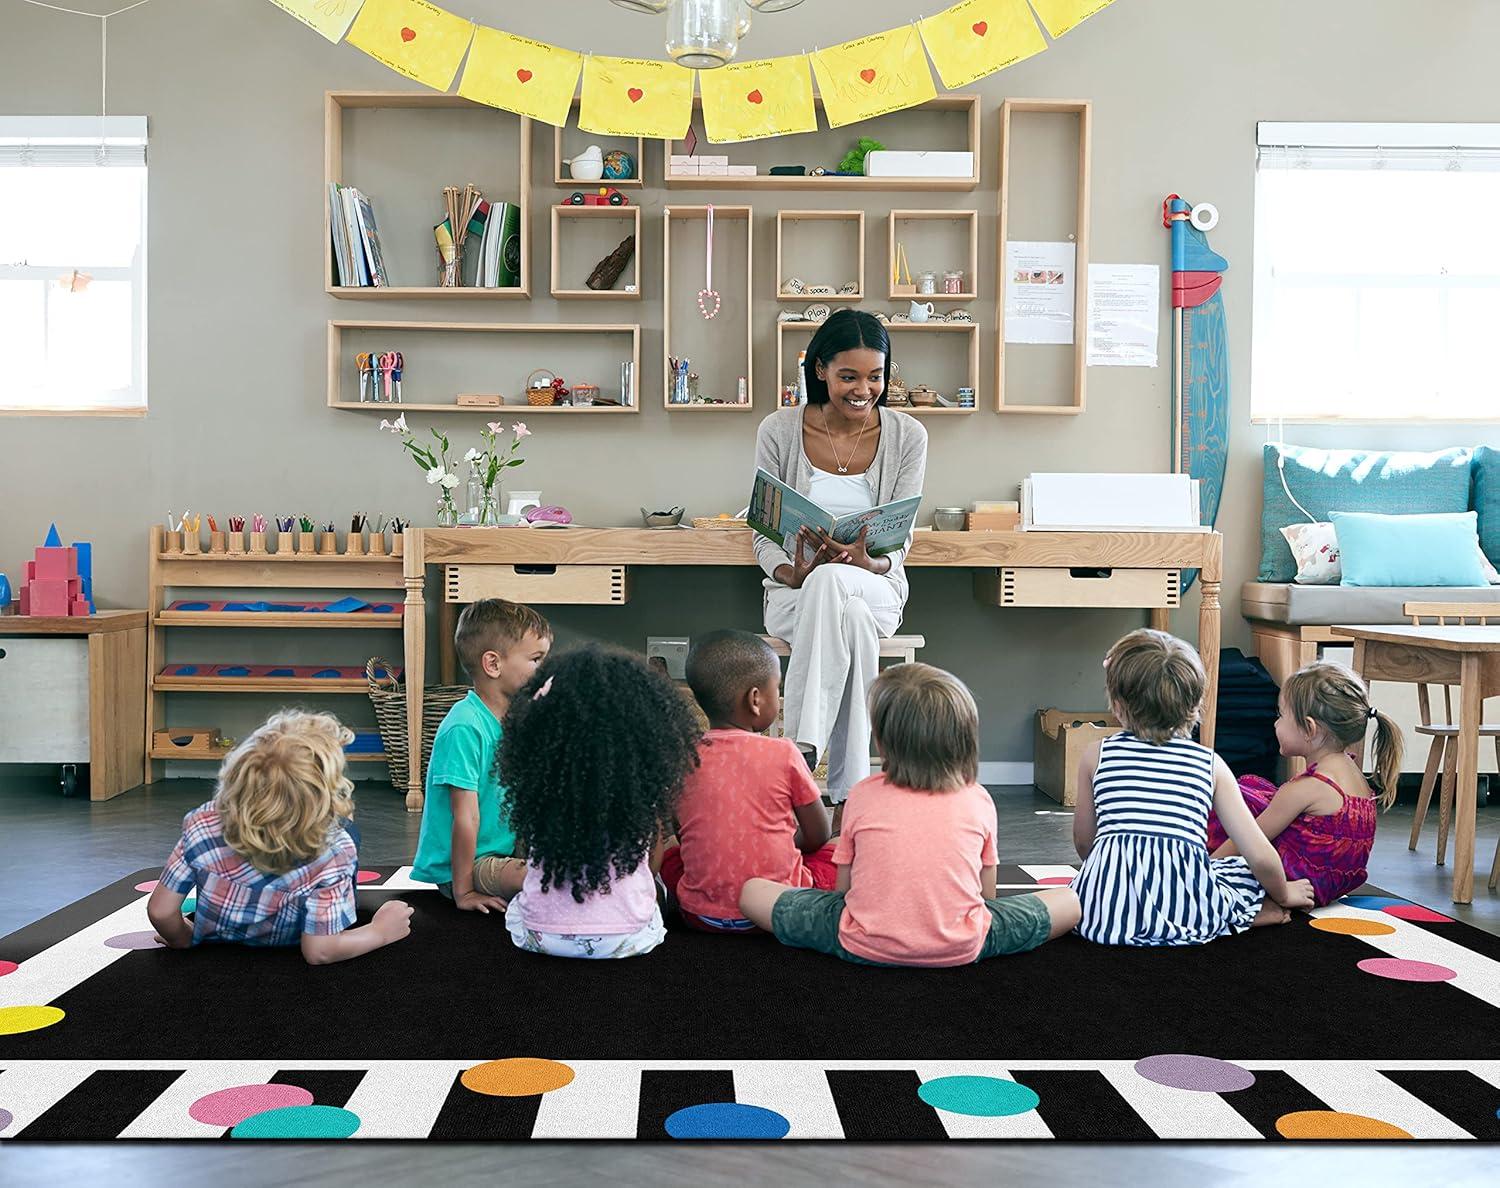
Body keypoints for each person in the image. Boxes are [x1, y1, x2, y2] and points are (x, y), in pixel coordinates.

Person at [740, 663, 1079, 967]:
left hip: (860, 942)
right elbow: (986, 898)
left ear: (882, 741)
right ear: (963, 739)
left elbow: (843, 892)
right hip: (963, 946)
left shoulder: (862, 794)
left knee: (752, 891)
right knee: (1069, 901)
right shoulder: (978, 798)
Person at [753, 309, 928, 818]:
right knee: (844, 612)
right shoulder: (780, 429)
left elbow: (902, 536)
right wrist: (790, 572)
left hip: (876, 589)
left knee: (842, 587)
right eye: (848, 376)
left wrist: (869, 563)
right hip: (796, 596)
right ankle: (850, 794)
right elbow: (763, 526)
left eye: (875, 377)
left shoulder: (907, 435)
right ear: (820, 368)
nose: (863, 389)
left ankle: (800, 753)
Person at [1072, 630, 1316, 946]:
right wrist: (1285, 893)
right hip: (1188, 910)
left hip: (1104, 915)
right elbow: (1260, 855)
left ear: (1117, 705)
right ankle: (1250, 913)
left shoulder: (1096, 754)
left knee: (1076, 892)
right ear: (1197, 704)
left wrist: (1111, 871)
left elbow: (1083, 841)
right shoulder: (1209, 764)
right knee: (1237, 870)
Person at [147, 710, 412, 965]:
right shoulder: (335, 850)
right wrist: (380, 931)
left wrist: (182, 938)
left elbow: (161, 912)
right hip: (292, 942)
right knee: (347, 829)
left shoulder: (202, 822)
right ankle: (336, 910)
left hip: (223, 937)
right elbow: (320, 952)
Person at [499, 645, 701, 959]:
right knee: (655, 890)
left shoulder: (541, 791)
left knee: (519, 906)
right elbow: (651, 864)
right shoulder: (636, 794)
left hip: (541, 936)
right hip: (627, 939)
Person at [660, 629, 835, 933]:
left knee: (672, 854)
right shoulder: (784, 753)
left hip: (700, 917)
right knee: (837, 849)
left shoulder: (681, 756)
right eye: (776, 689)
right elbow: (819, 835)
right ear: (755, 699)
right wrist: (782, 843)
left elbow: (683, 832)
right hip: (779, 910)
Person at [1208, 661, 1403, 906]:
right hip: (1332, 882)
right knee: (1255, 792)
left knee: (1235, 802)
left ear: (1309, 728)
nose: (1275, 723)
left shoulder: (1307, 788)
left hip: (1300, 882)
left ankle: (1261, 905)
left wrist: (1206, 873)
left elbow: (1246, 840)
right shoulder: (1352, 772)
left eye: (1281, 715)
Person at [410, 599, 552, 911]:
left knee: (571, 863)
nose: (544, 670)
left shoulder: (516, 718)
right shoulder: (464, 727)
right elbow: (466, 817)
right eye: (536, 660)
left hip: (504, 850)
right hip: (467, 866)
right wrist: (464, 893)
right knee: (547, 879)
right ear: (493, 664)